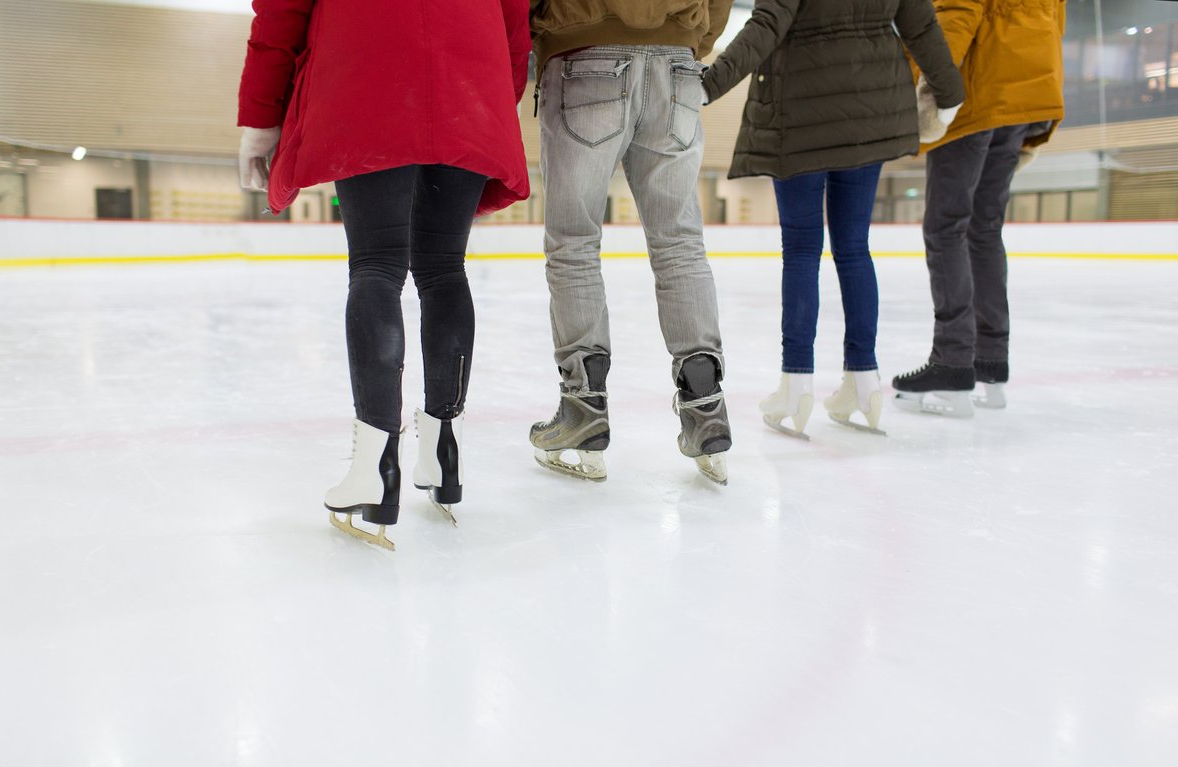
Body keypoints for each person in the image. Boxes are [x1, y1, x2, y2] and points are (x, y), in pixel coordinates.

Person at [237, 0, 531, 550]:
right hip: (472, 70)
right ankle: (445, 452)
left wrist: (260, 115)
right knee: (444, 268)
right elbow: (516, 21)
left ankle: (374, 465)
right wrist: (489, 92)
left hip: (368, 68)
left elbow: (280, 15)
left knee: (376, 265)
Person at [702, 0, 964, 438]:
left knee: (803, 250)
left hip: (801, 114)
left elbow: (768, 24)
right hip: (873, 109)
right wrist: (949, 93)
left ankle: (796, 384)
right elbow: (921, 25)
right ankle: (864, 382)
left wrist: (710, 83)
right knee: (854, 248)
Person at [527, 0, 736, 485]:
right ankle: (705, 409)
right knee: (680, 244)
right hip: (677, 63)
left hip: (583, 52)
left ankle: (583, 410)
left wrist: (540, 37)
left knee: (574, 242)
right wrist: (689, 40)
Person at [892, 0, 1066, 417]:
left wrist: (933, 94)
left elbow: (954, 17)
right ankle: (990, 359)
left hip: (977, 94)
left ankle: (952, 359)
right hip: (1027, 96)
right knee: (984, 229)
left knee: (945, 227)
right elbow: (1054, 24)